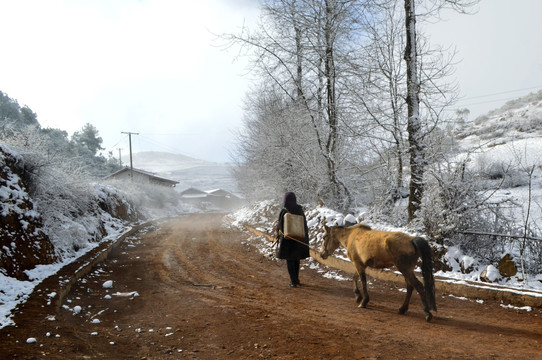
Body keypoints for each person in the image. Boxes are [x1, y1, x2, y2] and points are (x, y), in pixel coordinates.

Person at [276, 192, 310, 287]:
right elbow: (304, 226)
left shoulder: (284, 212)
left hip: (288, 241)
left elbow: (281, 226)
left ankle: (293, 281)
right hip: (298, 240)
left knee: (290, 260)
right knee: (296, 260)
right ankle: (297, 279)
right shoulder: (299, 210)